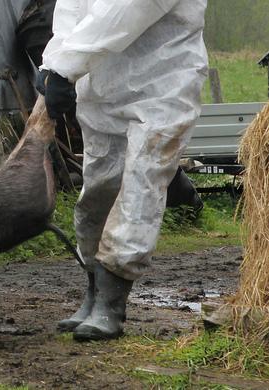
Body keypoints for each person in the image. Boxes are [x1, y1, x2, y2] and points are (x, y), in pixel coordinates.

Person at [37, 0, 208, 341]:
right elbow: (72, 8)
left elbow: (128, 7)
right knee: (98, 192)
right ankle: (93, 292)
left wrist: (66, 65)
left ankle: (111, 304)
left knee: (139, 189)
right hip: (102, 88)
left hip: (163, 83)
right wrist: (54, 62)